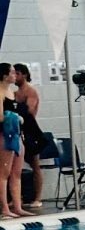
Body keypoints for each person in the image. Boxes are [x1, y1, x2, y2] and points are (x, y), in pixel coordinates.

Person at [13, 64, 44, 211]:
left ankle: (38, 198)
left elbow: (29, 112)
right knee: (15, 167)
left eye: (18, 74)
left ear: (24, 75)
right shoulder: (15, 93)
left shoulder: (30, 91)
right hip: (18, 131)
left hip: (30, 132)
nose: (15, 77)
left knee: (35, 165)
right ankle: (17, 198)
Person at [0, 63, 25, 219]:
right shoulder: (0, 92)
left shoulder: (11, 92)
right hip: (4, 135)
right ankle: (4, 208)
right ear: (4, 75)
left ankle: (17, 207)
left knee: (16, 173)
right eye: (13, 72)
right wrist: (16, 117)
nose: (15, 75)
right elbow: (0, 117)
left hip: (16, 135)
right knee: (4, 173)